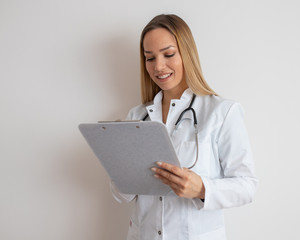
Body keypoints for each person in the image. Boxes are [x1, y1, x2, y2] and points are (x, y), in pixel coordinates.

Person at [109, 14, 257, 239]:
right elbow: (120, 196)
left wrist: (202, 189)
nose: (159, 66)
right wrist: (122, 174)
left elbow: (247, 186)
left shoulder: (222, 112)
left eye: (168, 54)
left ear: (186, 53)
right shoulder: (136, 117)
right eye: (150, 58)